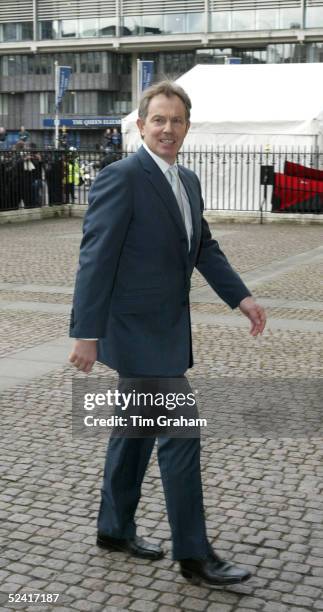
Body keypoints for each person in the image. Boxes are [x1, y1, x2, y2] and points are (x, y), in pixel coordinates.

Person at [69, 81, 266, 586]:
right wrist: (86, 333)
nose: (168, 129)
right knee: (182, 434)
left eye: (176, 120)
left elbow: (203, 246)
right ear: (140, 126)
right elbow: (95, 257)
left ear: (186, 126)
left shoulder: (188, 181)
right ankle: (195, 555)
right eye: (158, 119)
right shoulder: (122, 177)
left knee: (133, 433)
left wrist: (241, 297)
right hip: (135, 335)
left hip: (163, 330)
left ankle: (114, 528)